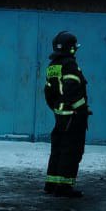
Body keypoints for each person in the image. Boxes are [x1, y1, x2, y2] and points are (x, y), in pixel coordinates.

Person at [43, 30, 89, 198]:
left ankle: (52, 183)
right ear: (71, 48)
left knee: (58, 148)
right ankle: (64, 187)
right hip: (73, 116)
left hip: (60, 114)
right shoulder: (69, 64)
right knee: (72, 150)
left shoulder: (53, 65)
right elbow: (72, 89)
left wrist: (56, 107)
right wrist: (81, 110)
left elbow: (48, 92)